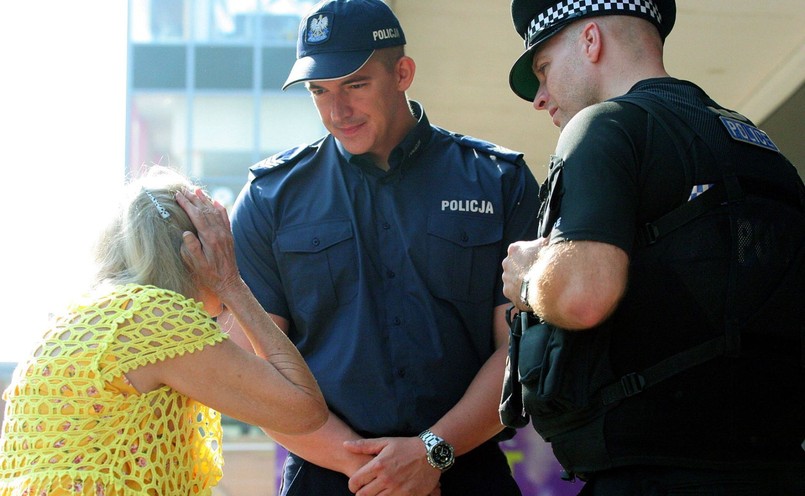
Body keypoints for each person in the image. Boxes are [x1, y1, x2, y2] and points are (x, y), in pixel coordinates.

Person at [224, 1, 541, 494]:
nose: (337, 110)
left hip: (466, 470)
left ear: (402, 73)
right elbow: (255, 378)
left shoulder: (498, 182)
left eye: (354, 84)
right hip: (327, 477)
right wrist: (368, 470)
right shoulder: (270, 199)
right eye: (318, 91)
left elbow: (521, 350)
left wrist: (433, 452)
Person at [500, 0, 805, 494]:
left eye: (543, 68)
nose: (539, 97)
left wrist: (533, 275)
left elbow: (582, 294)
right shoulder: (757, 144)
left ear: (591, 41)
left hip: (651, 475)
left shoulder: (605, 125)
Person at [0, 166, 327, 495]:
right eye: (224, 245)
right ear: (197, 254)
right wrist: (231, 283)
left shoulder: (72, 319)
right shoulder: (153, 319)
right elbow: (304, 410)